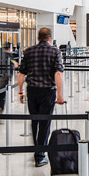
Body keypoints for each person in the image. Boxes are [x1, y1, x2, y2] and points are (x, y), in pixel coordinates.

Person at [17, 27, 66, 168]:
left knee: (35, 121)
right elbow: (58, 74)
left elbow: (21, 74)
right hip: (47, 91)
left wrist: (20, 92)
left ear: (38, 38)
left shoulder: (29, 51)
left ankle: (37, 151)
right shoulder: (55, 51)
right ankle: (40, 156)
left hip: (32, 90)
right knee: (45, 123)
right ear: (50, 38)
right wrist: (60, 95)